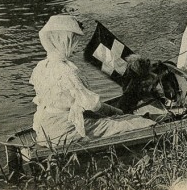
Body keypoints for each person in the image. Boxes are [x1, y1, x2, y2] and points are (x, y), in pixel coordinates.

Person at [30, 15, 156, 147]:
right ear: (61, 40)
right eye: (72, 41)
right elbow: (92, 105)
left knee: (119, 119)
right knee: (138, 123)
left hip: (46, 128)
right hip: (67, 129)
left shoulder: (42, 66)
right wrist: (117, 112)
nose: (75, 47)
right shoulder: (68, 71)